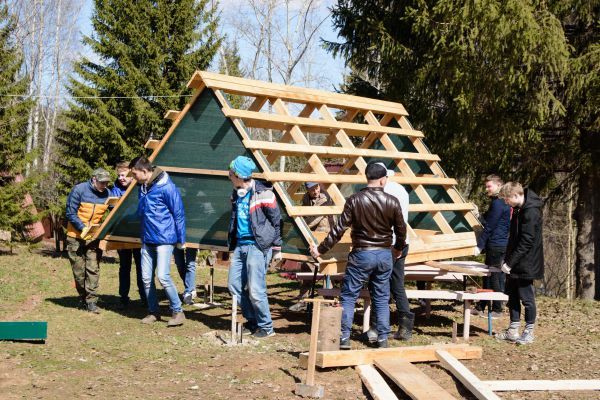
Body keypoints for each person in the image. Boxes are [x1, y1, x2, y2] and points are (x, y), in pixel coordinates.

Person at [310, 161, 406, 349]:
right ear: (382, 180)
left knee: (349, 296)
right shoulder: (392, 201)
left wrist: (320, 250)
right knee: (381, 296)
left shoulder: (354, 200)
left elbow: (338, 230)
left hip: (361, 254)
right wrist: (398, 248)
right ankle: (382, 338)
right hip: (385, 254)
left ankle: (344, 337)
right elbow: (401, 230)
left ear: (368, 178)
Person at [227, 156, 282, 338]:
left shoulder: (264, 193)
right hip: (240, 245)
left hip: (257, 245)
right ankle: (252, 321)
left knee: (256, 289)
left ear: (238, 175)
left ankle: (266, 327)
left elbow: (276, 220)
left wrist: (277, 247)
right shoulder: (236, 193)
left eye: (231, 172)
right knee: (234, 285)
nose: (228, 175)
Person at [129, 156, 186, 326]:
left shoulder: (167, 188)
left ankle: (178, 311)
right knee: (146, 278)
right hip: (147, 239)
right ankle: (153, 312)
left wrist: (181, 239)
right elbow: (142, 209)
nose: (134, 177)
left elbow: (178, 213)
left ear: (145, 171)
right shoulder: (143, 187)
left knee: (163, 276)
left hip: (164, 239)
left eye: (135, 174)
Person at [366, 163, 414, 341]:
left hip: (388, 244)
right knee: (397, 283)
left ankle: (377, 327)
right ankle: (405, 327)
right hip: (401, 242)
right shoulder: (401, 189)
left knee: (378, 284)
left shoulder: (385, 192)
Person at [496, 182, 544, 345]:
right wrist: (507, 260)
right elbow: (514, 239)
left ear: (516, 196)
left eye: (507, 199)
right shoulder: (518, 210)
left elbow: (526, 241)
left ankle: (529, 332)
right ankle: (513, 330)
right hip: (515, 261)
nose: (506, 203)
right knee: (513, 296)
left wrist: (510, 263)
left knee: (527, 298)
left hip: (527, 263)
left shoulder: (531, 211)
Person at [65, 168, 111, 313]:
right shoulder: (79, 190)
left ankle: (91, 301)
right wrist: (82, 228)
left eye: (106, 183)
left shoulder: (108, 194)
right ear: (94, 179)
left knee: (93, 269)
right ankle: (83, 296)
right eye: (102, 182)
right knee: (79, 272)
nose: (104, 186)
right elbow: (70, 212)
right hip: (75, 237)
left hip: (93, 238)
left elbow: (114, 211)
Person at [289, 182, 334, 312]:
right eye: (312, 189)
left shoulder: (325, 199)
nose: (316, 191)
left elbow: (314, 218)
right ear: (307, 189)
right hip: (312, 238)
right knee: (306, 267)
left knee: (327, 270)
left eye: (317, 187)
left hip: (326, 239)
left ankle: (330, 301)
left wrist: (300, 228)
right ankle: (303, 300)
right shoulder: (306, 199)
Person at [471, 174, 511, 318]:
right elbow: (488, 220)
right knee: (488, 277)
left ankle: (497, 310)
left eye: (489, 186)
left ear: (498, 186)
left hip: (497, 245)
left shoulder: (499, 203)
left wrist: (479, 246)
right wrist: (478, 215)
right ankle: (481, 306)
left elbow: (489, 227)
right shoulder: (499, 202)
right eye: (486, 186)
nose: (486, 188)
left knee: (495, 277)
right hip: (496, 244)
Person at [111, 161, 145, 309]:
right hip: (122, 233)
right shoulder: (115, 189)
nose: (121, 178)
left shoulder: (140, 187)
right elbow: (113, 208)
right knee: (124, 266)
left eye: (124, 175)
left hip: (139, 233)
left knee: (141, 266)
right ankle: (123, 297)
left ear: (131, 176)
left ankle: (145, 297)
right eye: (119, 176)